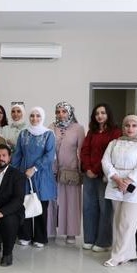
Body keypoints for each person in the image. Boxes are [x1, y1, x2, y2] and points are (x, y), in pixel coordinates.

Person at [102, 115, 137, 267]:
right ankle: (128, 253)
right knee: (119, 221)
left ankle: (117, 256)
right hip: (116, 185)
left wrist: (128, 180)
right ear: (123, 127)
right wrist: (117, 178)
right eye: (127, 125)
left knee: (126, 223)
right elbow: (105, 161)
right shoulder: (114, 143)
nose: (130, 128)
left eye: (134, 125)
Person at [12, 107, 56, 248]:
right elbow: (18, 154)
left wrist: (35, 168)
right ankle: (24, 235)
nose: (35, 118)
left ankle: (40, 238)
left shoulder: (49, 134)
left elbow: (49, 155)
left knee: (41, 206)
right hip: (24, 174)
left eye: (38, 116)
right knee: (24, 204)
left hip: (42, 175)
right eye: (32, 115)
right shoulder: (23, 133)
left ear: (42, 117)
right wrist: (13, 172)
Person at [80, 103, 121, 252]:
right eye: (97, 113)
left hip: (105, 175)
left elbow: (111, 154)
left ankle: (104, 242)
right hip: (89, 174)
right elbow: (84, 150)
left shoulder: (116, 132)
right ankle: (89, 239)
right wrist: (88, 168)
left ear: (108, 114)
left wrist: (96, 169)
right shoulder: (92, 132)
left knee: (105, 208)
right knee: (89, 206)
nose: (100, 116)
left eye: (103, 113)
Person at [49, 101, 85, 244]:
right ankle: (50, 231)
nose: (61, 114)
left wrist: (80, 172)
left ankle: (71, 233)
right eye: (58, 112)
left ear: (70, 113)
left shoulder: (78, 128)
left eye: (64, 111)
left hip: (71, 171)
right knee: (51, 202)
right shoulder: (51, 127)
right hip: (52, 171)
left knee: (71, 202)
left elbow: (81, 151)